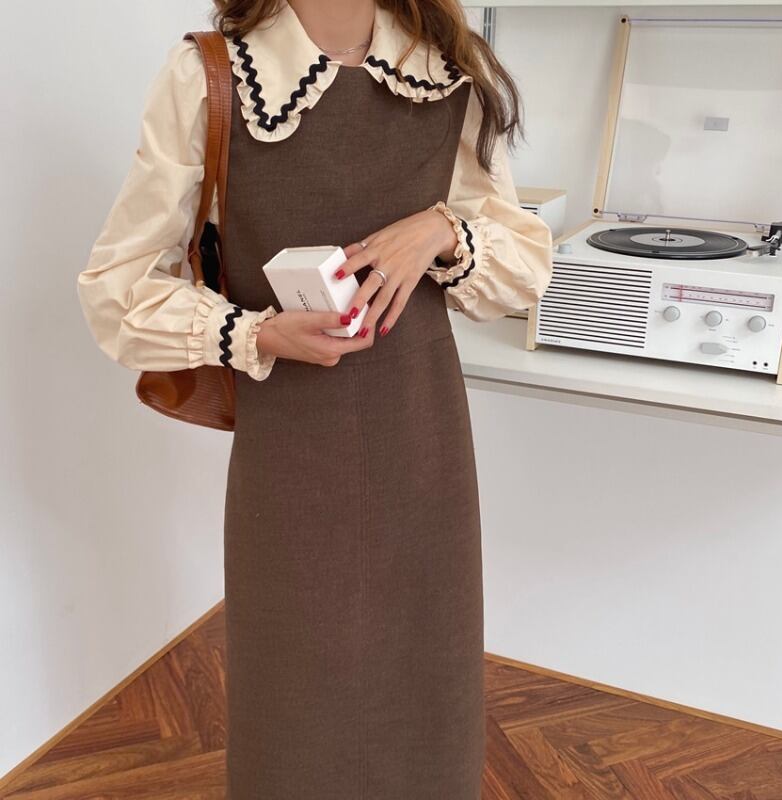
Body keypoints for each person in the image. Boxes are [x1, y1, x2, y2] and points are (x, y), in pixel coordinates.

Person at [76, 0, 552, 797]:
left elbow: (522, 269)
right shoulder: (212, 75)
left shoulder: (448, 70)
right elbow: (116, 288)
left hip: (421, 429)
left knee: (428, 676)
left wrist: (442, 231)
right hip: (289, 440)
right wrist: (257, 333)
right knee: (292, 689)